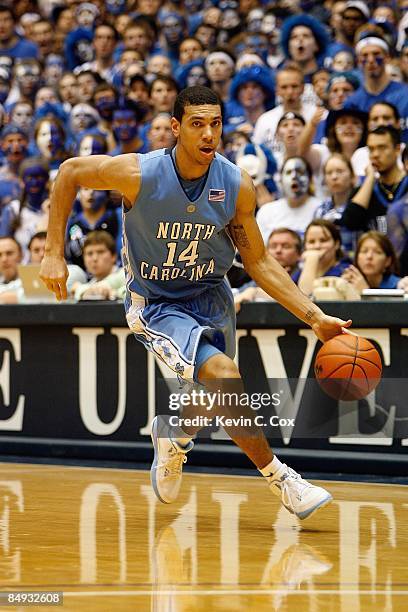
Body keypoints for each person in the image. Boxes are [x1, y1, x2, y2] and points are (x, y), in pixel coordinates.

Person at [40, 86, 351, 522]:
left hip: (211, 294)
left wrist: (314, 317)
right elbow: (70, 171)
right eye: (197, 124)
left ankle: (173, 435)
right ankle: (282, 480)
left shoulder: (236, 184)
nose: (209, 134)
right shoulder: (139, 173)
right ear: (175, 128)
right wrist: (54, 251)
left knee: (215, 394)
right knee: (225, 375)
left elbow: (258, 260)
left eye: (216, 124)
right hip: (157, 302)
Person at [294, 219, 351, 296]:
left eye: (323, 240)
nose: (317, 246)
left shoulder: (346, 270)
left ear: (336, 244)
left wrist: (312, 259)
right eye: (311, 242)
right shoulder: (301, 272)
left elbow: (307, 295)